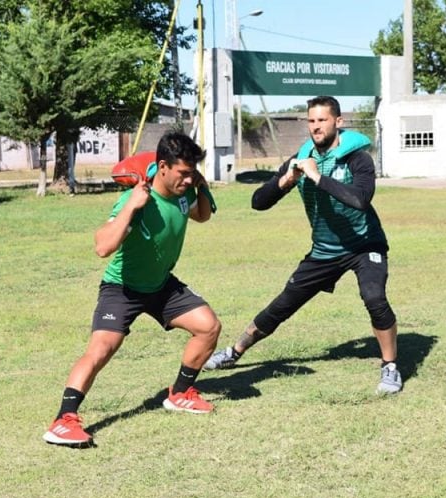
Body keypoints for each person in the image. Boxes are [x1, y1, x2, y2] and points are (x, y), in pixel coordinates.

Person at [203, 95, 402, 395]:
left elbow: (361, 200)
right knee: (282, 305)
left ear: (338, 121)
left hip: (365, 245)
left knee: (374, 297)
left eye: (322, 120)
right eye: (311, 121)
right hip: (324, 251)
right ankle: (235, 351)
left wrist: (317, 176)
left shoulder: (358, 158)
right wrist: (284, 181)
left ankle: (390, 366)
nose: (316, 127)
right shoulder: (302, 156)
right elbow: (258, 202)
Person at [44, 132, 221, 447]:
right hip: (122, 288)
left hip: (161, 284)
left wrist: (201, 185)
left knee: (208, 327)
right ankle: (63, 419)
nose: (187, 178)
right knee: (101, 349)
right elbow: (102, 247)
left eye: (192, 172)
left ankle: (180, 393)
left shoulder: (184, 191)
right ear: (163, 167)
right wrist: (132, 207)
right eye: (183, 173)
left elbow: (202, 215)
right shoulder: (136, 199)